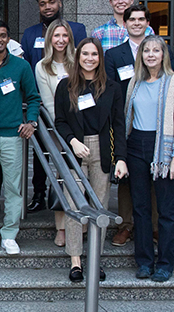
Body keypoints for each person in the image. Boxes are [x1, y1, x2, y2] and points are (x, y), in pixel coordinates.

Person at [54, 38, 128, 282]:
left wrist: (121, 158)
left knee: (100, 207)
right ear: (78, 57)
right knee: (74, 207)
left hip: (102, 149)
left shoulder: (113, 88)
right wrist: (72, 142)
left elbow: (118, 124)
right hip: (75, 148)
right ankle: (75, 261)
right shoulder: (65, 86)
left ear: (100, 58)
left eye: (94, 54)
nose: (89, 58)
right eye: (84, 53)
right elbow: (60, 121)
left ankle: (95, 259)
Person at [124, 35, 174, 282]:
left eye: (156, 50)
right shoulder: (135, 82)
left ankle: (164, 263)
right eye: (146, 51)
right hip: (136, 146)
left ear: (164, 55)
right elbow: (128, 118)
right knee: (140, 208)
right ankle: (144, 262)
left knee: (165, 211)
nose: (151, 54)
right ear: (141, 55)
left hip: (163, 148)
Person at [0, 20, 41, 256]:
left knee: (13, 189)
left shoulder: (22, 67)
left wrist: (31, 122)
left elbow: (33, 98)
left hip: (13, 135)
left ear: (9, 39)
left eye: (3, 35)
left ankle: (9, 234)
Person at [20, 0, 87, 213]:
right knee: (41, 156)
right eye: (42, 3)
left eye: (51, 2)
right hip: (42, 105)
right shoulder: (30, 34)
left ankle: (68, 201)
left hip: (76, 114)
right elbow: (28, 68)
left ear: (59, 3)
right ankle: (39, 193)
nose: (47, 7)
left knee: (71, 159)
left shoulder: (78, 29)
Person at [104, 5, 161, 247]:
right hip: (125, 124)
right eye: (132, 19)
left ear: (147, 23)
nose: (136, 23)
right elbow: (109, 88)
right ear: (124, 24)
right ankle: (126, 225)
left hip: (155, 124)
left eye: (141, 19)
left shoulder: (160, 51)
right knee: (126, 178)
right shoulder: (114, 55)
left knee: (156, 177)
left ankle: (154, 227)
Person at [34, 19, 75, 247]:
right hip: (57, 131)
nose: (60, 40)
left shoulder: (79, 60)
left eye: (64, 35)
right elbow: (49, 104)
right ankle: (61, 227)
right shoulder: (42, 66)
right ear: (50, 39)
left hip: (84, 131)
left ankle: (80, 227)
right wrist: (64, 133)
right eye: (56, 36)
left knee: (81, 181)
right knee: (61, 181)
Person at [90, 0, 154, 52]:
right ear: (110, 2)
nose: (120, 1)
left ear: (131, 0)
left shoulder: (147, 30)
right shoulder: (99, 32)